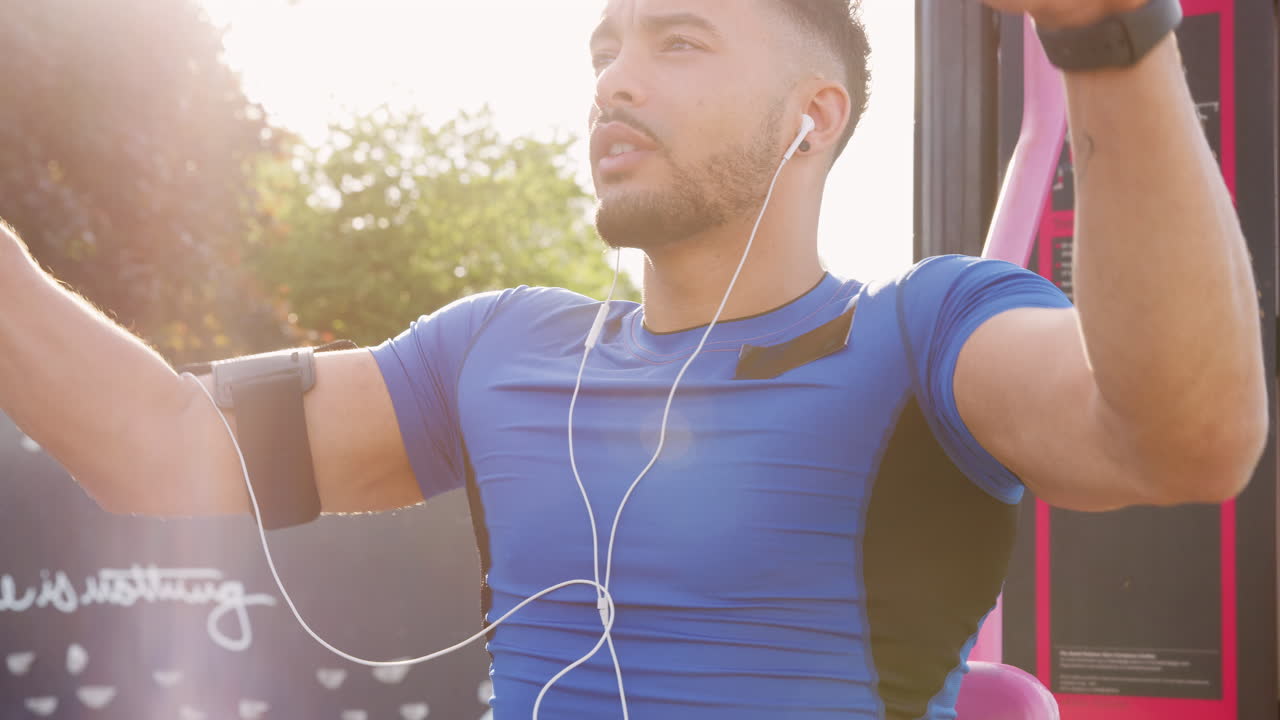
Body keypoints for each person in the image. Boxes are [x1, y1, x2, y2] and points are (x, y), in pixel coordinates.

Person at [0, 0, 1266, 717]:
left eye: (678, 41)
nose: (614, 80)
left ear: (811, 118)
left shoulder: (921, 333)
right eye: (603, 49)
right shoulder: (494, 349)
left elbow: (1184, 438)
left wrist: (1102, 31)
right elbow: (157, 446)